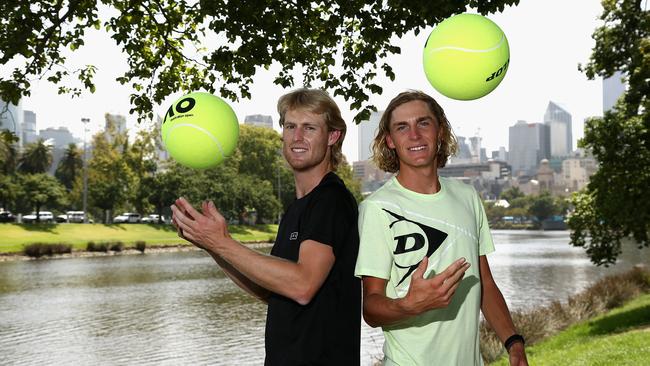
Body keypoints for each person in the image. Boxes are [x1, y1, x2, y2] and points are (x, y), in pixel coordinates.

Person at [171, 88, 361, 365]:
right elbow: (270, 290)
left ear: (332, 136)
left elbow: (302, 285)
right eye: (290, 126)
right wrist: (213, 247)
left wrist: (222, 243)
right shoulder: (298, 207)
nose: (297, 137)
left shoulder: (330, 199)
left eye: (309, 128)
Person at [354, 90, 528, 365]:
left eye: (423, 123)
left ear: (441, 132)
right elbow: (371, 308)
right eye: (402, 127)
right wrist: (409, 305)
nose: (414, 135)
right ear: (390, 141)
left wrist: (513, 342)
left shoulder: (468, 197)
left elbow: (485, 284)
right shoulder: (377, 208)